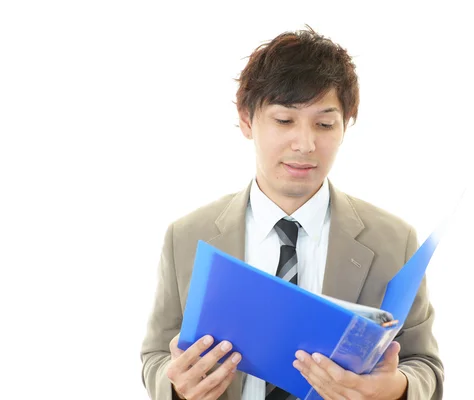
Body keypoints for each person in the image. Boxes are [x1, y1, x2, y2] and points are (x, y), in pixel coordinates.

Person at [140, 26, 444, 400]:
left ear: (346, 124)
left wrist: (396, 388)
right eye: (284, 121)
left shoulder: (395, 242)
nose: (305, 144)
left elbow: (424, 363)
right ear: (247, 120)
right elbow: (155, 354)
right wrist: (175, 384)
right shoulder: (186, 236)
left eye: (325, 124)